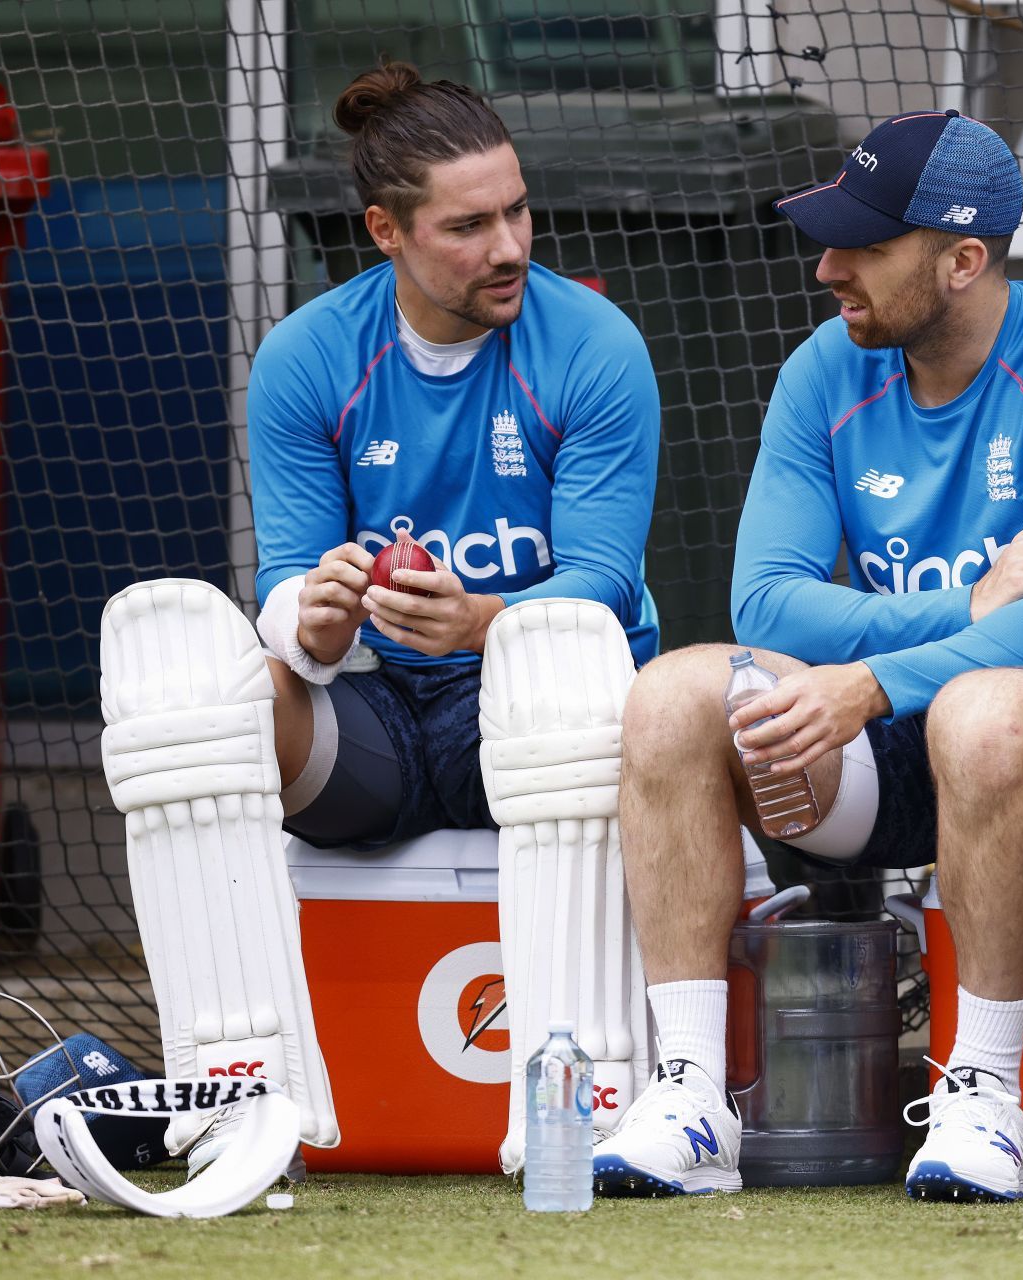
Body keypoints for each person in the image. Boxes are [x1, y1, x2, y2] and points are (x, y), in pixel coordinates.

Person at [94, 62, 659, 1177]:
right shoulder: (311, 354)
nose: (508, 246)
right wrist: (317, 621)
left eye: (517, 209)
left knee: (566, 668)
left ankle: (586, 1109)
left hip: (542, 719)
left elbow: (600, 583)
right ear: (385, 230)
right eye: (468, 225)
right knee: (205, 694)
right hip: (381, 721)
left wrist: (486, 620)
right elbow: (290, 595)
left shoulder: (594, 345)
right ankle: (240, 1103)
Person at [589, 110, 1023, 1202]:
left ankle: (982, 1096)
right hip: (868, 745)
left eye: (864, 247)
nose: (827, 267)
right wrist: (961, 602)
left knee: (981, 712)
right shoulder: (822, 371)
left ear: (964, 260)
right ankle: (693, 1095)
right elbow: (766, 599)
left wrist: (880, 675)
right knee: (668, 697)